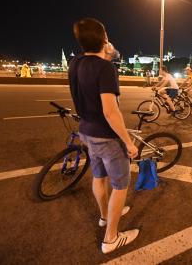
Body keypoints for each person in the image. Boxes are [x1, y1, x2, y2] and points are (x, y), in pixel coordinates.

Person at [69, 18, 139, 254]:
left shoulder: (75, 63)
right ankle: (111, 237)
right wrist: (128, 143)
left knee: (98, 177)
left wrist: (106, 54)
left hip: (86, 131)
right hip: (106, 137)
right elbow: (110, 111)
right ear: (104, 38)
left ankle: (104, 216)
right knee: (120, 185)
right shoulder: (106, 69)